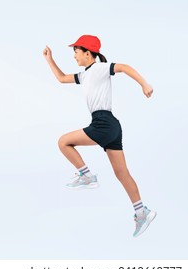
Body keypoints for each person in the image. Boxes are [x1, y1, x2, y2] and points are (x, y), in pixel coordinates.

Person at [43, 35, 156, 237]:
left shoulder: (100, 68)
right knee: (122, 174)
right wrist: (49, 59)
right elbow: (61, 79)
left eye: (76, 52)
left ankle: (86, 175)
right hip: (111, 126)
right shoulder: (84, 75)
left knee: (63, 142)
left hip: (103, 123)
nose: (74, 57)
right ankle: (142, 212)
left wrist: (144, 84)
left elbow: (124, 67)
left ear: (88, 53)